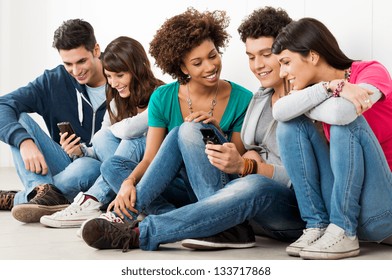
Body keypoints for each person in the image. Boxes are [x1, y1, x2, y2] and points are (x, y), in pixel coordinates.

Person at [79, 7, 305, 252]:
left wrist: (249, 164)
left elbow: (284, 173)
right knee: (156, 144)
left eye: (266, 55)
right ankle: (205, 224)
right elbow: (244, 158)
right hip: (234, 199)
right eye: (251, 57)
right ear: (183, 67)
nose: (258, 65)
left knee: (253, 182)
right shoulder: (260, 100)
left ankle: (138, 229)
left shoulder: (294, 101)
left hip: (273, 203)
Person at [271, 17, 392, 260]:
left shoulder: (371, 71)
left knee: (345, 123)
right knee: (288, 125)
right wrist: (330, 87)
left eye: (286, 62)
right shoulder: (320, 89)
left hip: (381, 210)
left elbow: (342, 113)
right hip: (341, 200)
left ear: (312, 56)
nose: (282, 73)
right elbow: (279, 111)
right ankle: (317, 225)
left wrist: (317, 98)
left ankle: (343, 229)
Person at [38, 36, 164, 228]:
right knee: (102, 139)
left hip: (154, 173)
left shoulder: (161, 94)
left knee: (131, 138)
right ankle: (119, 203)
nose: (113, 83)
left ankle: (92, 199)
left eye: (120, 75)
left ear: (138, 69)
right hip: (123, 177)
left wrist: (112, 129)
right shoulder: (116, 101)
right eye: (109, 76)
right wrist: (80, 151)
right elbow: (99, 146)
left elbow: (131, 129)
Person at [0, 19, 107, 222]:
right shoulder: (53, 81)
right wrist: (24, 142)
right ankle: (41, 193)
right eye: (68, 64)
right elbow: (3, 105)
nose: (76, 72)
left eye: (81, 61)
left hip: (97, 168)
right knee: (20, 119)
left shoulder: (120, 77)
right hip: (63, 162)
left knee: (85, 166)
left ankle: (25, 198)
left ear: (96, 50)